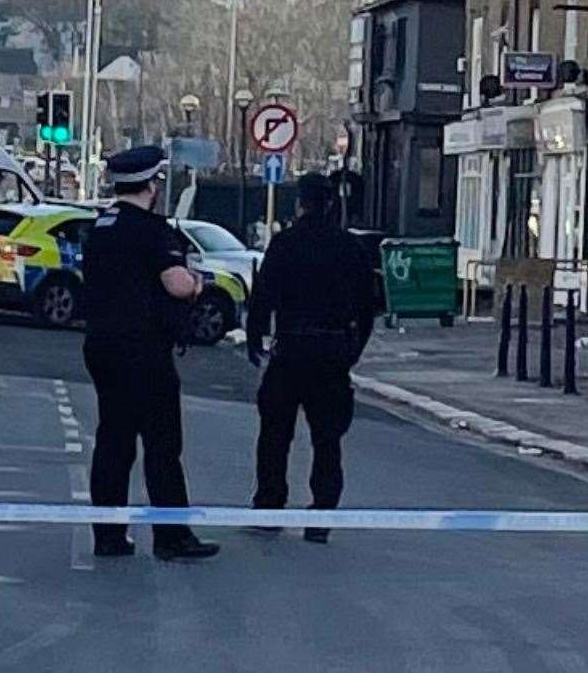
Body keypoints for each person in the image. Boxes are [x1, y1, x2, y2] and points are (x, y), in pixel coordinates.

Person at [82, 145, 220, 561]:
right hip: (143, 349)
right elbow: (176, 283)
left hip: (102, 345)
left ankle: (108, 535)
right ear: (152, 185)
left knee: (113, 441)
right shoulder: (152, 229)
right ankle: (172, 536)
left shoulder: (100, 227)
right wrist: (196, 283)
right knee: (161, 444)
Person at [246, 172, 376, 544]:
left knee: (274, 434)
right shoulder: (350, 248)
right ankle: (321, 514)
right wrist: (353, 351)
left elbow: (264, 295)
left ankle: (269, 507)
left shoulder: (285, 243)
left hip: (290, 350)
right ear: (331, 203)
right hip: (332, 353)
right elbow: (367, 309)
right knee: (327, 439)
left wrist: (256, 337)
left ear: (300, 203)